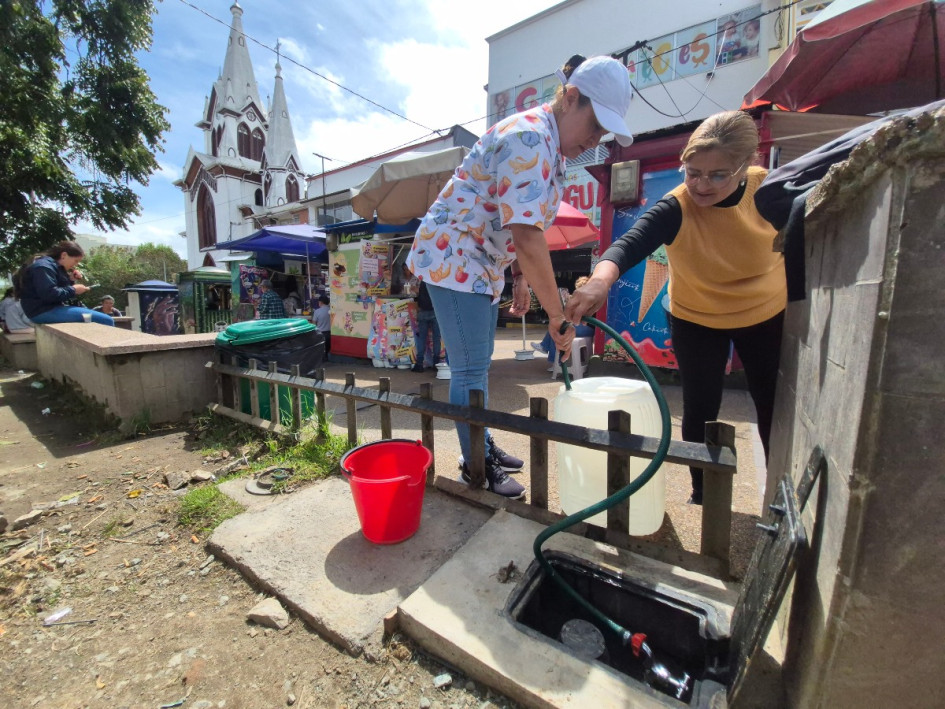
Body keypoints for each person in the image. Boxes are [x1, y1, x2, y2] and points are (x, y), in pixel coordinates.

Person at [405, 54, 635, 500]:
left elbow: (515, 222)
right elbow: (527, 234)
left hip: (479, 258)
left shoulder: (551, 147)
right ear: (571, 98)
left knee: (477, 366)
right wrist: (557, 315)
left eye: (604, 131)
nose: (595, 138)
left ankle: (481, 442)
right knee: (470, 367)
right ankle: (476, 464)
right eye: (595, 124)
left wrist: (521, 279)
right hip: (455, 253)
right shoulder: (529, 137)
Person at [565, 110, 785, 505]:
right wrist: (599, 281)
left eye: (718, 174)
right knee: (701, 405)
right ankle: (702, 491)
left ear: (744, 167)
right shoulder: (677, 206)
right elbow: (629, 244)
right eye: (692, 171)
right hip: (695, 314)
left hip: (764, 310)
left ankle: (777, 494)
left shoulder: (768, 190)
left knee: (772, 402)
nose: (701, 184)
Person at [18, 241, 114, 325]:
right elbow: (49, 294)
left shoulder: (53, 267)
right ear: (64, 255)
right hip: (42, 311)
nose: (76, 264)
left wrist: (71, 280)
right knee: (106, 320)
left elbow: (59, 291)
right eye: (75, 260)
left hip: (47, 309)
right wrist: (74, 289)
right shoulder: (44, 267)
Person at [531, 276, 594, 366]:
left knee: (560, 329)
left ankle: (554, 360)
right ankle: (547, 350)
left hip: (587, 327)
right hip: (586, 327)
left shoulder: (586, 299)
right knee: (559, 327)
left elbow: (577, 316)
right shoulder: (587, 299)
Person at [411, 281, 441, 373]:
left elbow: (420, 295)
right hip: (435, 312)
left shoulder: (423, 281)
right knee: (436, 338)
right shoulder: (438, 281)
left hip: (423, 312)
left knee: (422, 339)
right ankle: (436, 363)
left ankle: (419, 364)